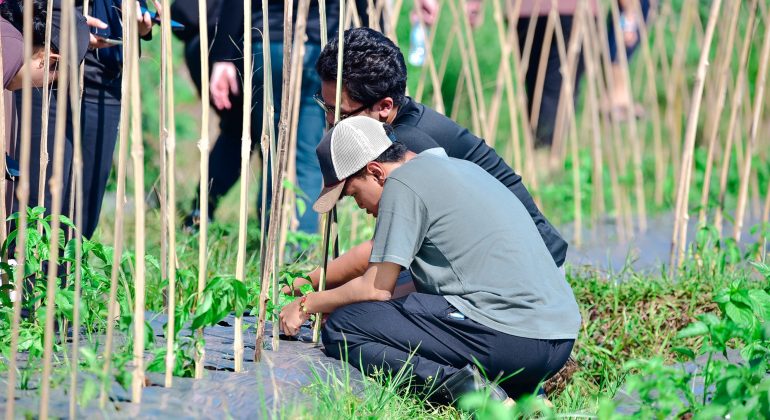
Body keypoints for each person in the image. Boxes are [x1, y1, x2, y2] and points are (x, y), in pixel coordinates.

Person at [278, 116, 581, 403]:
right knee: (371, 311)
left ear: (375, 171)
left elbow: (376, 289)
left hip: (515, 341)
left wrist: (308, 304)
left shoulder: (403, 184)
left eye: (354, 194)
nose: (360, 206)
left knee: (345, 327)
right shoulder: (456, 168)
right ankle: (527, 393)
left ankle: (478, 396)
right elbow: (413, 287)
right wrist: (341, 298)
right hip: (557, 340)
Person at [312, 27, 567, 273]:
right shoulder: (396, 126)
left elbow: (383, 250)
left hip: (530, 266)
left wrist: (306, 283)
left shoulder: (405, 147)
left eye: (342, 113)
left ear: (384, 107)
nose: (332, 122)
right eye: (327, 108)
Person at [183, 0, 336, 234]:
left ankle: (272, 247)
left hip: (268, 42)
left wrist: (224, 57)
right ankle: (297, 251)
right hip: (319, 44)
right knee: (306, 156)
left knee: (273, 151)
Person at [13, 0, 155, 235]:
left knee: (83, 214)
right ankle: (27, 271)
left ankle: (69, 272)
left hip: (105, 75)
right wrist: (70, 26)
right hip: (50, 65)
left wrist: (139, 20)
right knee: (40, 206)